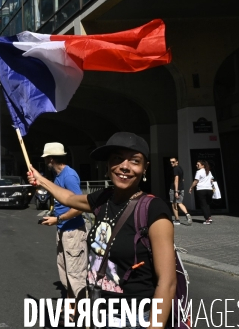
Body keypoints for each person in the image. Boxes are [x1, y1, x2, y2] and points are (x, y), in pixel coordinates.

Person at [27, 133, 176, 329]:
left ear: (144, 168)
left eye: (134, 161)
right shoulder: (104, 199)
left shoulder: (153, 210)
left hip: (135, 319)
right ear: (108, 166)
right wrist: (41, 180)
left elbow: (167, 282)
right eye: (117, 159)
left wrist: (154, 326)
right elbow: (70, 199)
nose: (124, 166)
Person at [38, 142, 87, 320]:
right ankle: (70, 308)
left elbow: (80, 207)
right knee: (66, 273)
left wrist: (57, 219)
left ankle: (82, 314)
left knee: (76, 274)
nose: (44, 162)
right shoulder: (57, 176)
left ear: (51, 159)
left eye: (45, 159)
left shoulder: (69, 176)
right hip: (63, 230)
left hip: (73, 231)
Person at [189, 160, 214, 225]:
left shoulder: (198, 172)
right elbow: (212, 179)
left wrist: (191, 187)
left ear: (203, 165)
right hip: (209, 189)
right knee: (207, 204)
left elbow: (196, 181)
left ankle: (207, 219)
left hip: (201, 189)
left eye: (198, 164)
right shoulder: (208, 171)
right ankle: (209, 217)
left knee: (203, 205)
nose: (196, 165)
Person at [169, 157, 192, 226]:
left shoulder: (175, 169)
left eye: (173, 162)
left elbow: (176, 180)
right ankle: (187, 214)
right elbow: (182, 179)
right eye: (170, 162)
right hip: (181, 188)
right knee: (180, 203)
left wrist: (176, 191)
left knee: (174, 204)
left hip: (175, 189)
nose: (171, 163)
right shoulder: (180, 168)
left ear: (177, 162)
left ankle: (177, 220)